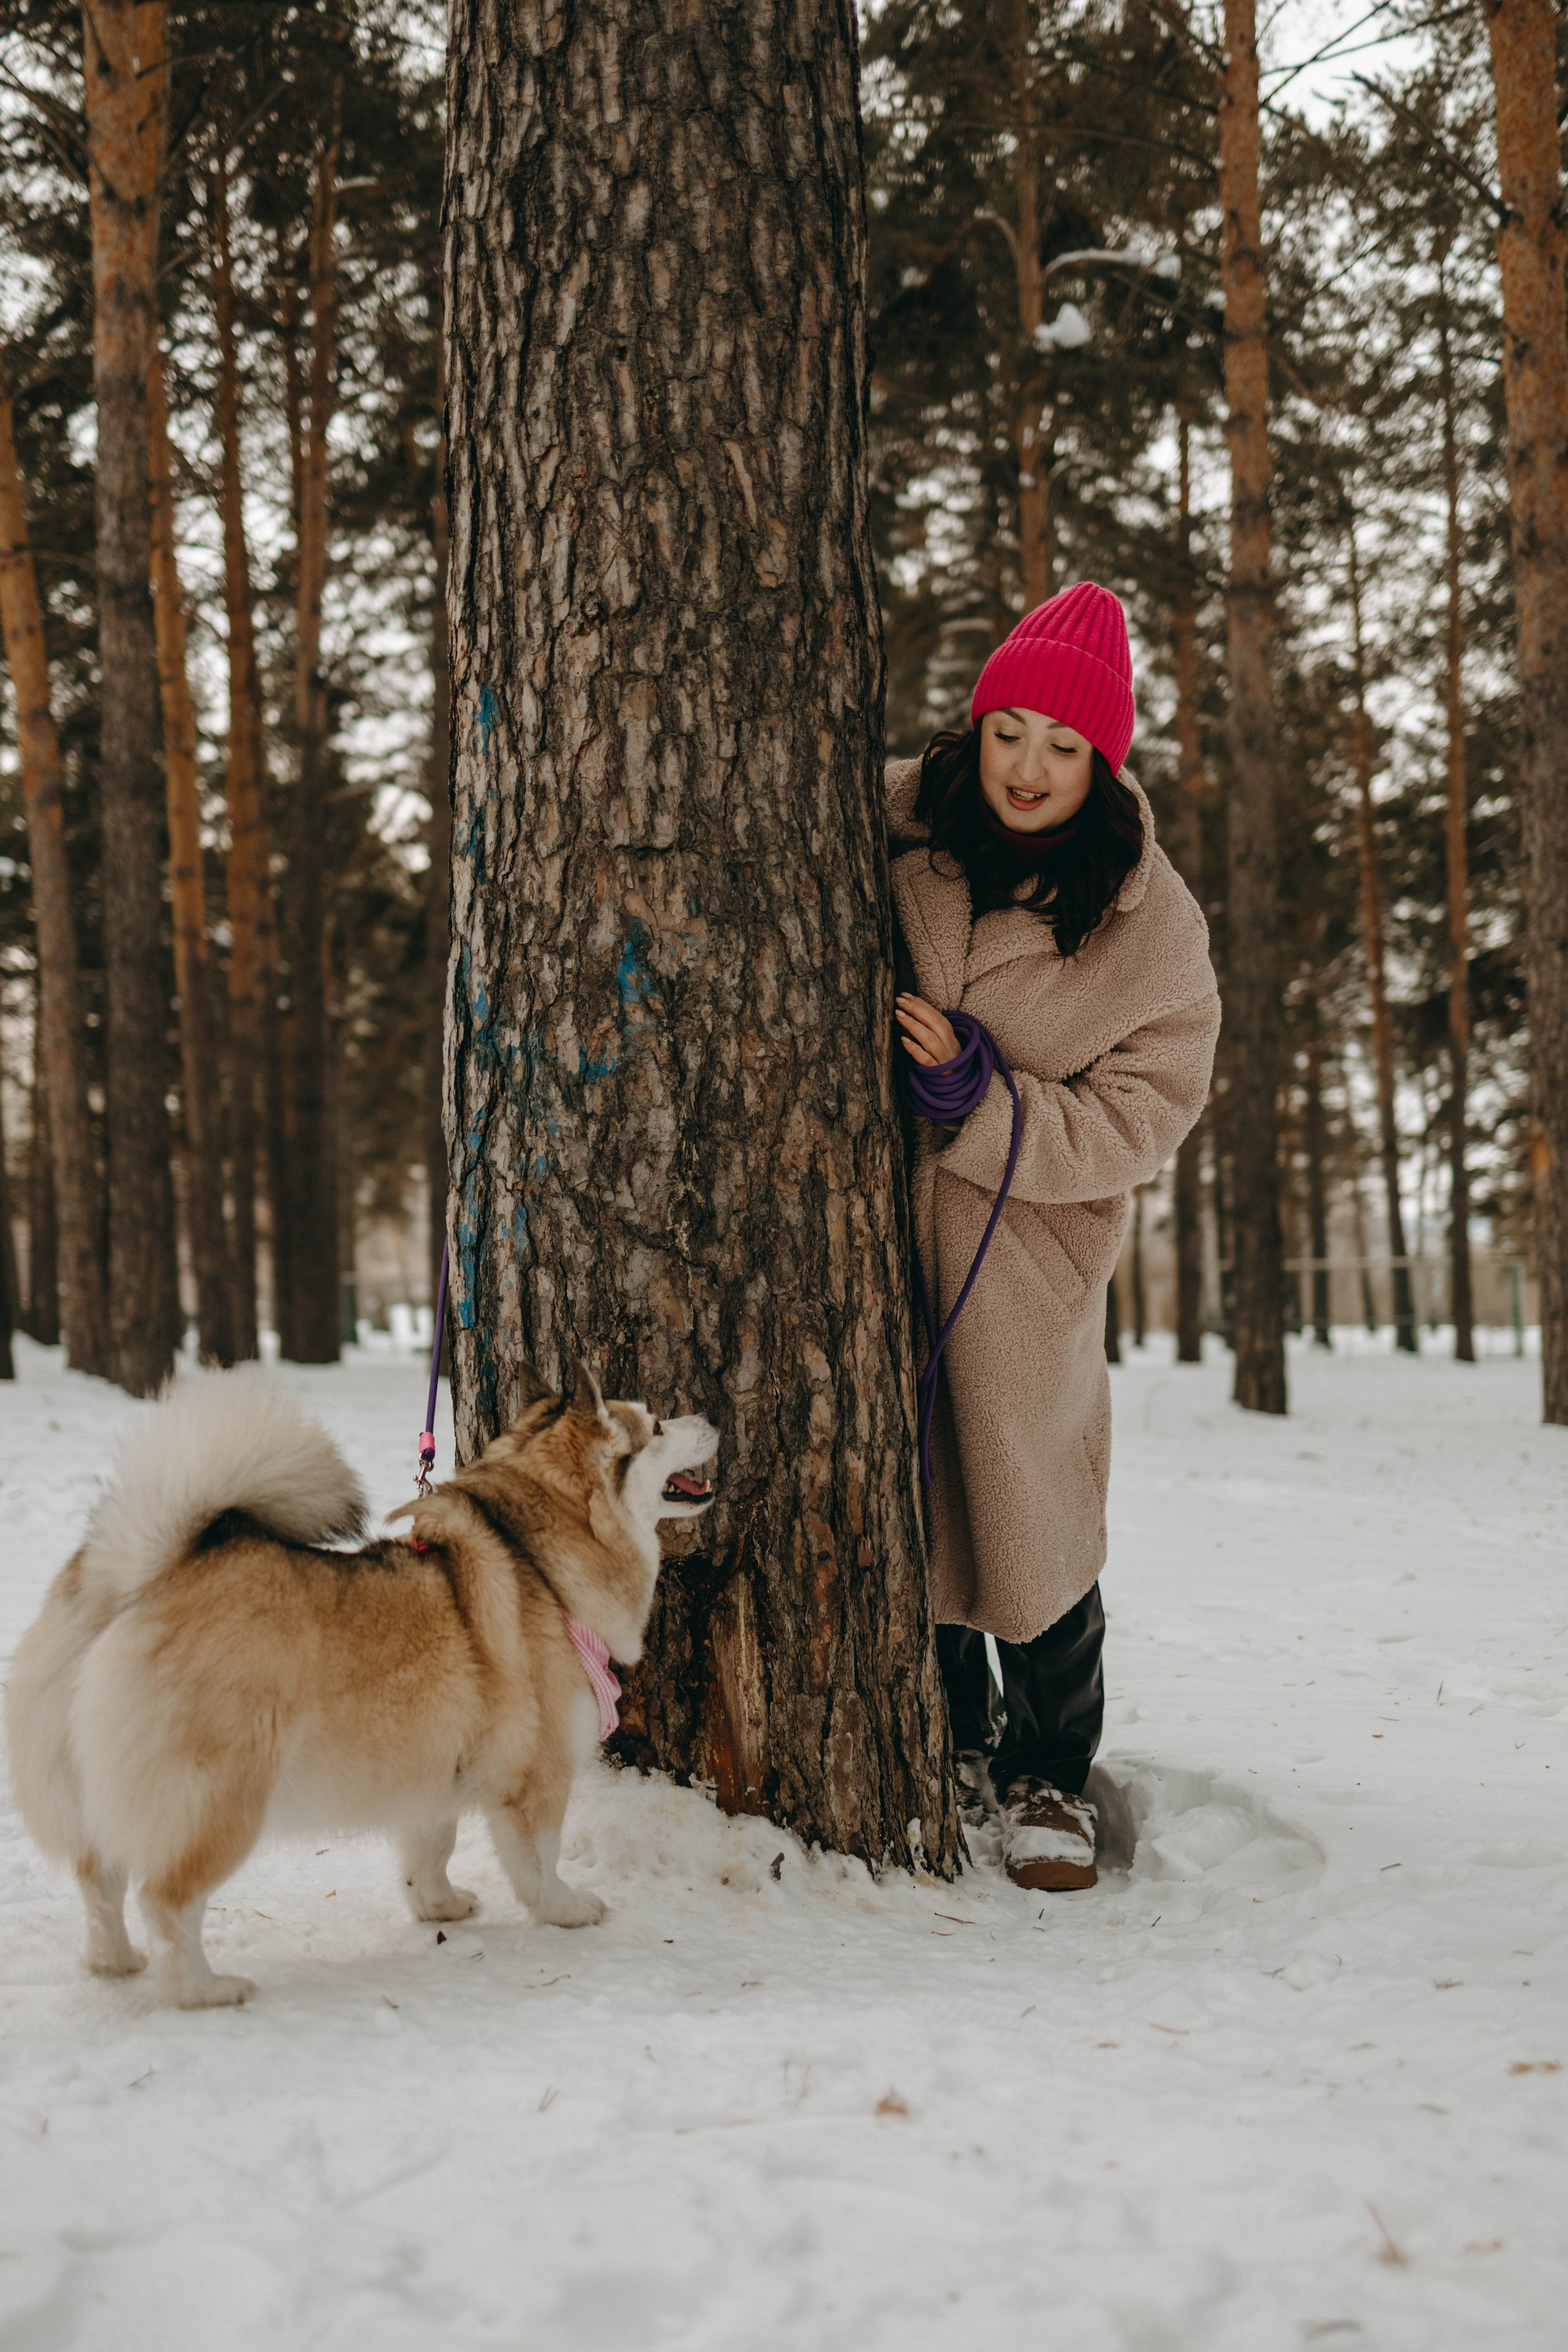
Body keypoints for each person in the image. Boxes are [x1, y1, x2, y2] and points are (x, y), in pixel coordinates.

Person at [889, 582, 1219, 1891]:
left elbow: (1147, 1116)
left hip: (1023, 1251)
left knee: (1025, 1513)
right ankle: (948, 1731)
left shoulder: (1148, 923)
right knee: (902, 1497)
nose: (1025, 767)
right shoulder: (895, 822)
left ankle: (1047, 1773)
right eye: (1007, 729)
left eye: (1062, 746)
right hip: (868, 1233)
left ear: (1104, 760)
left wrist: (986, 1107)